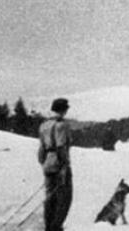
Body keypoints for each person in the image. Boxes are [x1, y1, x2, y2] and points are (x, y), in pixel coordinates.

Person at [38, 98, 73, 231]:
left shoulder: (44, 125)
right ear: (64, 110)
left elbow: (41, 149)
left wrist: (44, 163)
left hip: (47, 163)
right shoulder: (62, 125)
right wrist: (64, 165)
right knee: (64, 199)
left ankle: (48, 226)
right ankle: (56, 228)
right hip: (59, 164)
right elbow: (61, 147)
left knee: (49, 198)